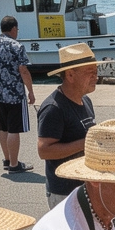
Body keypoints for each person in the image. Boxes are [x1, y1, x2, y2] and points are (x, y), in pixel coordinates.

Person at [38, 43, 100, 209]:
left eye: (96, 71)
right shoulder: (54, 108)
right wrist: (87, 142)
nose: (96, 76)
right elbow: (44, 150)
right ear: (70, 75)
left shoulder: (85, 100)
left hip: (85, 187)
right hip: (64, 192)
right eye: (90, 72)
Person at [0, 15, 36, 174]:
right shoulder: (17, 46)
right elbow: (23, 70)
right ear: (13, 29)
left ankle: (7, 159)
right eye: (17, 29)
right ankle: (14, 164)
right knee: (13, 130)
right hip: (15, 94)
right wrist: (30, 91)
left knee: (3, 128)